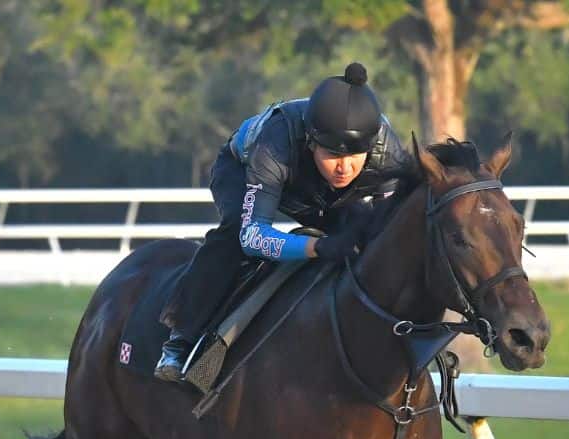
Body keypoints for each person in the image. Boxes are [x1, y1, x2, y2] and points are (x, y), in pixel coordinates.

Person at [154, 62, 410, 382]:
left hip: (324, 192)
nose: (344, 167)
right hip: (244, 170)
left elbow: (391, 230)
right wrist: (318, 246)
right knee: (233, 236)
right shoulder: (278, 139)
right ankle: (180, 341)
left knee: (367, 235)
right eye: (332, 154)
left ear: (371, 146)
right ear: (312, 142)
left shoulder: (387, 148)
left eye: (356, 155)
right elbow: (253, 236)